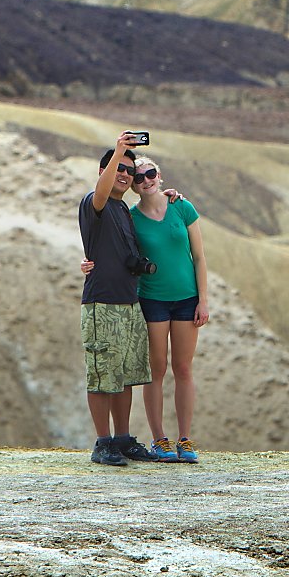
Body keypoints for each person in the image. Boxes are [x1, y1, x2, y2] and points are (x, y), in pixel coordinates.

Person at [77, 132, 159, 466]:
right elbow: (101, 191)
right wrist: (121, 149)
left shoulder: (123, 210)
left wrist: (167, 196)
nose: (125, 174)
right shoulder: (93, 202)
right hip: (102, 304)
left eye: (130, 170)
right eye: (118, 169)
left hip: (129, 303)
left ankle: (122, 439)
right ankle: (103, 443)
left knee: (124, 376)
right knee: (101, 376)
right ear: (104, 171)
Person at [126, 153, 209, 463]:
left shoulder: (182, 207)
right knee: (156, 370)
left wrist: (203, 299)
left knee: (184, 368)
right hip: (153, 299)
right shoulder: (131, 218)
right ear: (133, 185)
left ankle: (185, 440)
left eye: (150, 174)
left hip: (187, 299)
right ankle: (160, 440)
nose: (146, 181)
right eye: (139, 177)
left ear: (159, 176)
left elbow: (199, 257)